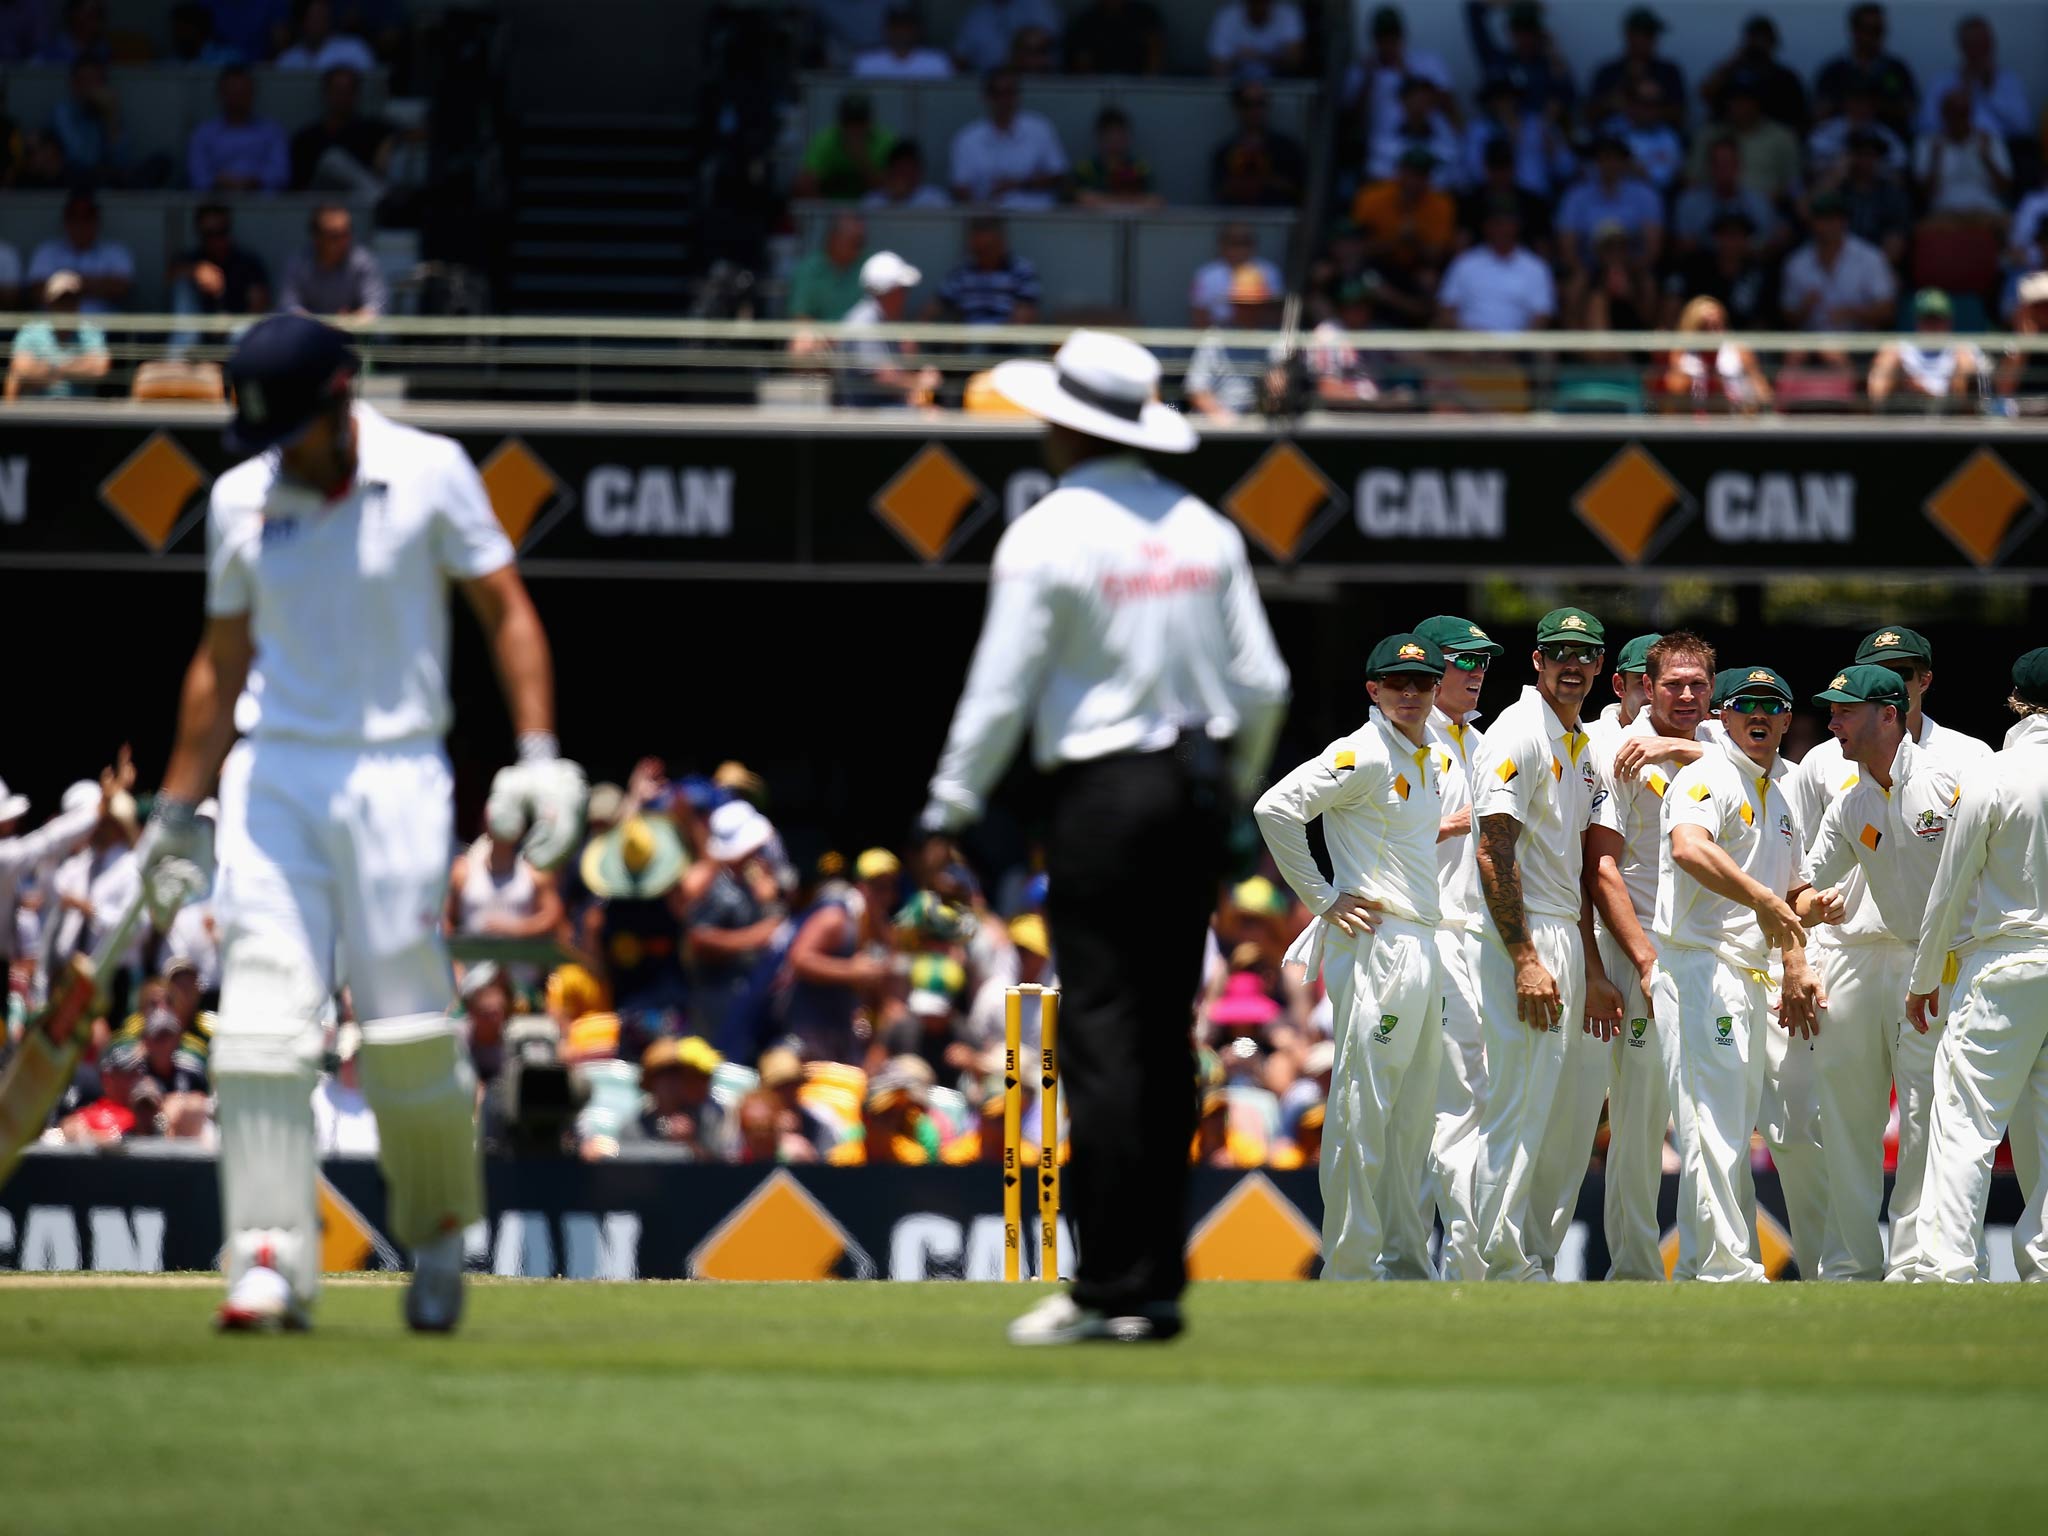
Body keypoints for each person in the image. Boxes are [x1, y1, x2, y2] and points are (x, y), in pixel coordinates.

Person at [135, 312, 586, 1333]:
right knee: (260, 1016)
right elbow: (219, 658)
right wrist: (174, 810)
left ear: (341, 400)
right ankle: (267, 1256)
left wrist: (539, 754)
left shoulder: (430, 471)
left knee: (405, 1026)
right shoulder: (241, 495)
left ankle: (433, 1242)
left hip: (397, 774)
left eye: (292, 427)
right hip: (275, 776)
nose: (277, 450)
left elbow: (505, 609)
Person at [922, 330, 1289, 1342]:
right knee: (1164, 1040)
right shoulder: (1203, 529)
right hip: (1192, 790)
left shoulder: (1046, 533)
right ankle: (1155, 1285)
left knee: (1099, 1037)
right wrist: (1233, 790)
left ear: (1059, 425)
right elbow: (1263, 684)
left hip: (1098, 797)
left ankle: (1106, 1288)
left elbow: (998, 693)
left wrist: (948, 806)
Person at [1784, 628, 1995, 1281]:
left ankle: (1920, 1260)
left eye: (1902, 670)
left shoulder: (1964, 759)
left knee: (1933, 1116)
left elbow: (1980, 876)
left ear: (1917, 685)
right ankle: (1850, 1263)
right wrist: (1803, 918)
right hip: (1845, 957)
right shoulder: (1831, 772)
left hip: (1933, 960)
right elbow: (1804, 873)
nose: (1835, 723)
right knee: (1844, 1117)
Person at [1256, 632, 1448, 1280]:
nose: (1412, 694)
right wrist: (1325, 897)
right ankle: (1349, 1265)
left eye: (1423, 684)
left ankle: (1405, 1261)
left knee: (1414, 1115)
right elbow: (1276, 808)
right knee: (1365, 1107)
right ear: (1374, 690)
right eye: (1399, 684)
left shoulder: (1432, 753)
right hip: (1380, 943)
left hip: (1423, 941)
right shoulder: (1362, 752)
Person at [1655, 666, 1828, 1281]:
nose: (1760, 714)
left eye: (1772, 705)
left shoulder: (1778, 791)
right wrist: (1765, 899)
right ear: (1720, 716)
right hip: (1703, 967)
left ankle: (1712, 1263)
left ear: (1787, 719)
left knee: (1734, 1125)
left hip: (1748, 976)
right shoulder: (1708, 775)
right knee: (1713, 1125)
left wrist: (1814, 906)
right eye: (1745, 704)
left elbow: (1794, 888)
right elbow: (1688, 847)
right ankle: (1728, 1267)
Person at [1468, 607, 1621, 1282]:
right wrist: (1526, 958)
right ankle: (1493, 1261)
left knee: (1556, 1115)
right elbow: (1493, 848)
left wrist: (1583, 963)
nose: (1571, 663)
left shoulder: (1578, 742)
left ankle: (1523, 1257)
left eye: (1583, 654)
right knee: (1518, 1103)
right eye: (1558, 651)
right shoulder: (1517, 731)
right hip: (1523, 937)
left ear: (1600, 666)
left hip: (1560, 932)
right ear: (1536, 661)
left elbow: (1579, 872)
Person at [1907, 647, 2048, 1283]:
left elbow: (1949, 889)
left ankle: (1947, 1265)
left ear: (2017, 702)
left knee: (1965, 1119)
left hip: (2006, 963)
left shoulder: (1994, 773)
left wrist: (1923, 978)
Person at [1586, 632, 1712, 1279]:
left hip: (1715, 957)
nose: (1686, 696)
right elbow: (1601, 868)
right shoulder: (1615, 752)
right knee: (1638, 1123)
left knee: (1713, 1124)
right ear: (1644, 687)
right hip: (1643, 952)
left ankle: (1706, 1265)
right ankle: (1634, 1268)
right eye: (1672, 684)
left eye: (1698, 685)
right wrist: (1640, 960)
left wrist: (1682, 747)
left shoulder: (1722, 744)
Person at [1409, 615, 1501, 1282]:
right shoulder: (1406, 740)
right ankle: (1449, 1261)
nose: (1475, 673)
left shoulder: (1483, 740)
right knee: (1451, 1105)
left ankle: (1434, 1261)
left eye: (1481, 662)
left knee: (1463, 1103)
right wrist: (1461, 824)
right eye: (1463, 661)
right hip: (1431, 936)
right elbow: (1369, 837)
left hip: (1475, 940)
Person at [1781, 193, 1896, 340]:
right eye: (1822, 219)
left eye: (1834, 219)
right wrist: (1803, 311)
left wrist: (1853, 313)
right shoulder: (1796, 263)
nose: (1828, 225)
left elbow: (1887, 310)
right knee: (1796, 349)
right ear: (1812, 223)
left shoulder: (1870, 258)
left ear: (1844, 221)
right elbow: (1787, 316)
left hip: (1858, 343)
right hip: (1810, 345)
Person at [948, 67, 1067, 209]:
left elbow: (1059, 176)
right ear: (986, 97)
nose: (1004, 100)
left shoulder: (1040, 128)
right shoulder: (967, 139)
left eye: (1010, 93)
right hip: (989, 221)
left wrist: (1019, 184)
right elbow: (960, 188)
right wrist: (981, 207)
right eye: (998, 94)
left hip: (1037, 217)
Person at [1435, 198, 1554, 332]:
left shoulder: (1536, 268)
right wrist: (1469, 338)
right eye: (1496, 223)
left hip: (1517, 347)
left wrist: (1515, 347)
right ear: (1486, 226)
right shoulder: (1464, 263)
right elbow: (1446, 309)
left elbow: (1542, 315)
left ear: (1517, 226)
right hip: (1468, 344)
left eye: (1507, 223)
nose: (1501, 229)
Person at [839, 250, 940, 407]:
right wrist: (919, 382)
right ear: (888, 292)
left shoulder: (883, 320)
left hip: (885, 409)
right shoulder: (864, 322)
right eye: (901, 290)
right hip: (866, 418)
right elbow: (883, 378)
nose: (905, 296)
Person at [1185, 264, 1279, 422]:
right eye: (1242, 305)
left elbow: (1279, 387)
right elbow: (1196, 390)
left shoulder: (1274, 341)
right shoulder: (1214, 339)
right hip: (1218, 425)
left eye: (1254, 306)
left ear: (1264, 307)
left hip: (1260, 424)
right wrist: (1223, 418)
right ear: (1233, 306)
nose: (1248, 312)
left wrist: (1278, 388)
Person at [1919, 15, 2031, 142]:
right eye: (1973, 44)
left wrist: (1989, 94)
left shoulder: (2011, 82)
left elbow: (2023, 128)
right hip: (1953, 147)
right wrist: (1957, 104)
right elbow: (1925, 127)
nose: (1980, 50)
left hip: (2002, 148)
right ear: (1961, 47)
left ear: (1992, 44)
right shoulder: (1941, 82)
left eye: (1984, 43)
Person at [1868, 290, 1985, 409]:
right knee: (1889, 356)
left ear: (1949, 321)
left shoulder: (1964, 348)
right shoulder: (1899, 348)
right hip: (1909, 410)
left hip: (1951, 412)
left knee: (1964, 359)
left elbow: (1985, 382)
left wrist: (1927, 393)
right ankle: (1877, 418)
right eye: (1927, 320)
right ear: (1917, 322)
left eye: (1937, 320)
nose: (1932, 326)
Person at [1814, 4, 1918, 135]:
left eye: (1879, 30)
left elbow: (1909, 108)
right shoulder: (1833, 72)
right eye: (1870, 30)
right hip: (1842, 144)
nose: (1875, 37)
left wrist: (1874, 105)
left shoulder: (1895, 70)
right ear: (1854, 31)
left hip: (1888, 145)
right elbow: (1820, 111)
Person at [4, 269, 107, 401]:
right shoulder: (30, 331)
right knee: (12, 378)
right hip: (36, 415)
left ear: (78, 304)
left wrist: (51, 370)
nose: (65, 307)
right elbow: (21, 370)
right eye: (60, 301)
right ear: (49, 303)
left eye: (70, 301)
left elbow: (99, 368)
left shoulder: (91, 332)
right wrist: (74, 369)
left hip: (81, 416)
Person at [1915, 87, 2013, 225]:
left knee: (2012, 226)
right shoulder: (1927, 143)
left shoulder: (1990, 140)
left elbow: (2005, 188)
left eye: (1963, 113)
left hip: (1986, 209)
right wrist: (1935, 159)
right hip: (1944, 211)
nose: (1959, 119)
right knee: (1924, 229)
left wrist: (1987, 158)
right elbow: (1925, 194)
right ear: (1943, 114)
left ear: (1971, 113)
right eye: (1953, 113)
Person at [26, 189, 132, 314]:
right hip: (54, 331)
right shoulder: (47, 251)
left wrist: (69, 284)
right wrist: (96, 285)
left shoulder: (115, 252)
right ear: (65, 220)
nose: (80, 224)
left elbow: (121, 288)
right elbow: (37, 290)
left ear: (97, 220)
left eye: (87, 217)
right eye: (74, 217)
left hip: (104, 329)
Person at [187, 63, 288, 193]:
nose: (237, 99)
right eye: (231, 93)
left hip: (263, 205)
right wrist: (220, 182)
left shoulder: (273, 132)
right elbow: (198, 178)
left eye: (242, 93)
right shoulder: (202, 134)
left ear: (252, 94)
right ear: (220, 95)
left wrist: (253, 181)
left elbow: (281, 175)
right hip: (215, 203)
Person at [290, 64, 392, 193]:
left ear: (356, 94)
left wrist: (390, 142)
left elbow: (412, 133)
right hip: (319, 202)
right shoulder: (306, 138)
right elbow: (298, 187)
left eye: (348, 91)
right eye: (337, 91)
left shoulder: (372, 129)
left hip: (359, 202)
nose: (342, 98)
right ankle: (382, 199)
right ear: (326, 93)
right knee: (333, 158)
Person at [278, 202, 386, 319]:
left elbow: (376, 307)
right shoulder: (298, 263)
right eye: (334, 236)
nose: (343, 241)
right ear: (316, 237)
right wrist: (320, 325)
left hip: (352, 334)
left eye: (346, 233)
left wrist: (352, 320)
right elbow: (288, 307)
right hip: (308, 334)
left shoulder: (362, 261)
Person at [1699, 13, 1806, 131]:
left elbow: (1799, 119)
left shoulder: (1786, 78)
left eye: (1764, 39)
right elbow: (1705, 94)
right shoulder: (1730, 72)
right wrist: (1733, 62)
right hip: (1729, 137)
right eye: (1754, 39)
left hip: (1770, 137)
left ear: (1773, 43)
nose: (1759, 45)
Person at [1585, 7, 1685, 133]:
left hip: (1657, 141)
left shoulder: (1668, 72)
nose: (1651, 40)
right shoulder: (1607, 72)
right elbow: (1589, 115)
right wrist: (1617, 96)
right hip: (1614, 143)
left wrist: (1650, 112)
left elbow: (1680, 114)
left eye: (1653, 35)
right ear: (1629, 35)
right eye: (1646, 34)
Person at [1210, 80, 1306, 208]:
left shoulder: (1288, 148)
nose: (1254, 110)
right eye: (1247, 104)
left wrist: (1266, 179)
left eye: (1260, 103)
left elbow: (1300, 188)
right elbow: (1219, 191)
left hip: (1279, 216)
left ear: (1268, 105)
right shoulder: (1224, 151)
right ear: (1237, 108)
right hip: (1236, 218)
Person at [931, 216, 1040, 326]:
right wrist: (917, 335)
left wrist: (1006, 335)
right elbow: (938, 303)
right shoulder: (962, 270)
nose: (982, 254)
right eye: (977, 250)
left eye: (987, 248)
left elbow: (1026, 306)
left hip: (1006, 335)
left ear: (1001, 244)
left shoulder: (1021, 269)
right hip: (967, 334)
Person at [795, 93, 895, 202]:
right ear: (841, 123)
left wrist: (861, 158)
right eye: (849, 123)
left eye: (860, 122)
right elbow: (805, 183)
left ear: (869, 122)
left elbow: (893, 188)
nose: (855, 128)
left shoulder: (885, 143)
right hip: (831, 212)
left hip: (874, 213)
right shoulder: (825, 142)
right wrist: (825, 212)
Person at [1189, 223, 1280, 328]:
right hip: (1217, 335)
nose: (1240, 248)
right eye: (1234, 242)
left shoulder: (1268, 271)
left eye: (1245, 242)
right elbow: (1198, 316)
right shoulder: (1207, 274)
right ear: (1222, 244)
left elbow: (1276, 314)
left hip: (1257, 334)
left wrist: (1249, 312)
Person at [1072, 106, 1158, 209]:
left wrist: (1104, 201)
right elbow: (1081, 199)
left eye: (1119, 133)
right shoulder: (1086, 169)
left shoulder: (1139, 168)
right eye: (1110, 134)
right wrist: (1130, 201)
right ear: (1099, 136)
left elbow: (1154, 201)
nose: (1115, 139)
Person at [788, 212, 868, 322]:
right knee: (803, 339)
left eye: (861, 242)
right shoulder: (809, 269)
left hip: (860, 336)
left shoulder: (868, 266)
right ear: (834, 239)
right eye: (855, 242)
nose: (859, 248)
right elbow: (800, 316)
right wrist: (823, 338)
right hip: (819, 336)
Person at [953, 0, 1060, 76]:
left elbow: (1043, 43)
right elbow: (959, 60)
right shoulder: (977, 15)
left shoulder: (1036, 5)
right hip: (989, 85)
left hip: (1033, 83)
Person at [1588, 632, 1659, 746]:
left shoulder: (1695, 740)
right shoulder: (1588, 741)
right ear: (1619, 685)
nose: (1655, 694)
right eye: (1643, 683)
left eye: (1668, 684)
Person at [1208, 0, 1302, 82]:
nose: (1259, 6)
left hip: (1279, 85)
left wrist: (1260, 56)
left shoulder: (1287, 13)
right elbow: (1217, 67)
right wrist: (1238, 59)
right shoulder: (1227, 15)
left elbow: (1294, 61)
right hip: (1237, 87)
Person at [1065, 0, 1164, 76]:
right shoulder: (1085, 22)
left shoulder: (1145, 16)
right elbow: (1083, 66)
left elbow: (1155, 52)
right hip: (1098, 88)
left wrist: (1147, 85)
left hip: (1139, 86)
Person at [274, 0, 375, 73]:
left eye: (324, 17)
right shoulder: (287, 60)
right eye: (315, 18)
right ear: (301, 22)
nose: (320, 23)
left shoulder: (355, 49)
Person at [853, 6, 952, 79]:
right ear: (886, 30)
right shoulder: (866, 63)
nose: (901, 32)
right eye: (896, 27)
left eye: (906, 27)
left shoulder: (937, 62)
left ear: (917, 30)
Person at [861, 140, 949, 210]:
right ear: (889, 170)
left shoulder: (936, 200)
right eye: (900, 170)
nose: (904, 176)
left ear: (919, 171)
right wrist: (895, 199)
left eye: (909, 170)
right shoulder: (873, 201)